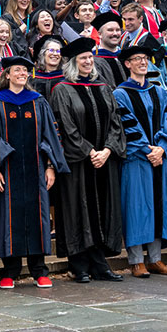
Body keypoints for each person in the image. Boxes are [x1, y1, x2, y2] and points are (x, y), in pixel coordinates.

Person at [0, 56, 67, 288]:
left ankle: (39, 270)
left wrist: (50, 167)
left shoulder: (38, 101)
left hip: (36, 169)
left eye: (24, 70)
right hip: (7, 171)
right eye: (16, 70)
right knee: (9, 217)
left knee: (37, 217)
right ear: (6, 75)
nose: (21, 73)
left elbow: (51, 135)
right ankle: (10, 271)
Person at [50, 39, 126, 283]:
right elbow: (65, 125)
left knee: (101, 210)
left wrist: (107, 150)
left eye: (90, 58)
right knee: (78, 211)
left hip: (103, 160)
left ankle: (100, 264)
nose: (87, 61)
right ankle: (79, 264)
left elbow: (115, 122)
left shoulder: (103, 87)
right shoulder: (62, 89)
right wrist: (89, 150)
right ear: (73, 63)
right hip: (79, 162)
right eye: (82, 58)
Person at [114, 45, 167, 277]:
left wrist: (162, 148)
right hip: (137, 159)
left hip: (158, 159)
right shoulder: (120, 94)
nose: (143, 62)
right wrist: (148, 149)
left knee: (158, 206)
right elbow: (127, 126)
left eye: (145, 58)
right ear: (127, 64)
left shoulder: (160, 92)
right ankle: (136, 261)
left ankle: (155, 259)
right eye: (137, 59)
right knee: (137, 208)